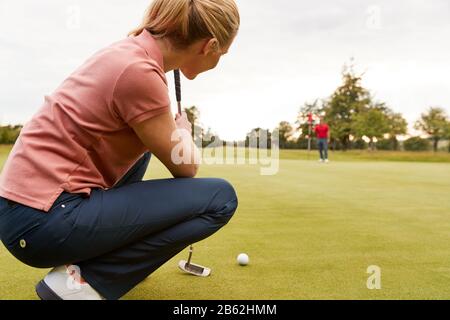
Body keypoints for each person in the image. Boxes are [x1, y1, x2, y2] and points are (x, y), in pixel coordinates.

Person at [0, 0, 240, 300]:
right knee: (221, 199)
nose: (221, 59)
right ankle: (84, 282)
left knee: (147, 147)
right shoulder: (139, 72)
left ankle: (91, 263)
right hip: (43, 223)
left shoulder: (128, 53)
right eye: (223, 53)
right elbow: (187, 167)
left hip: (25, 213)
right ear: (210, 45)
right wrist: (183, 134)